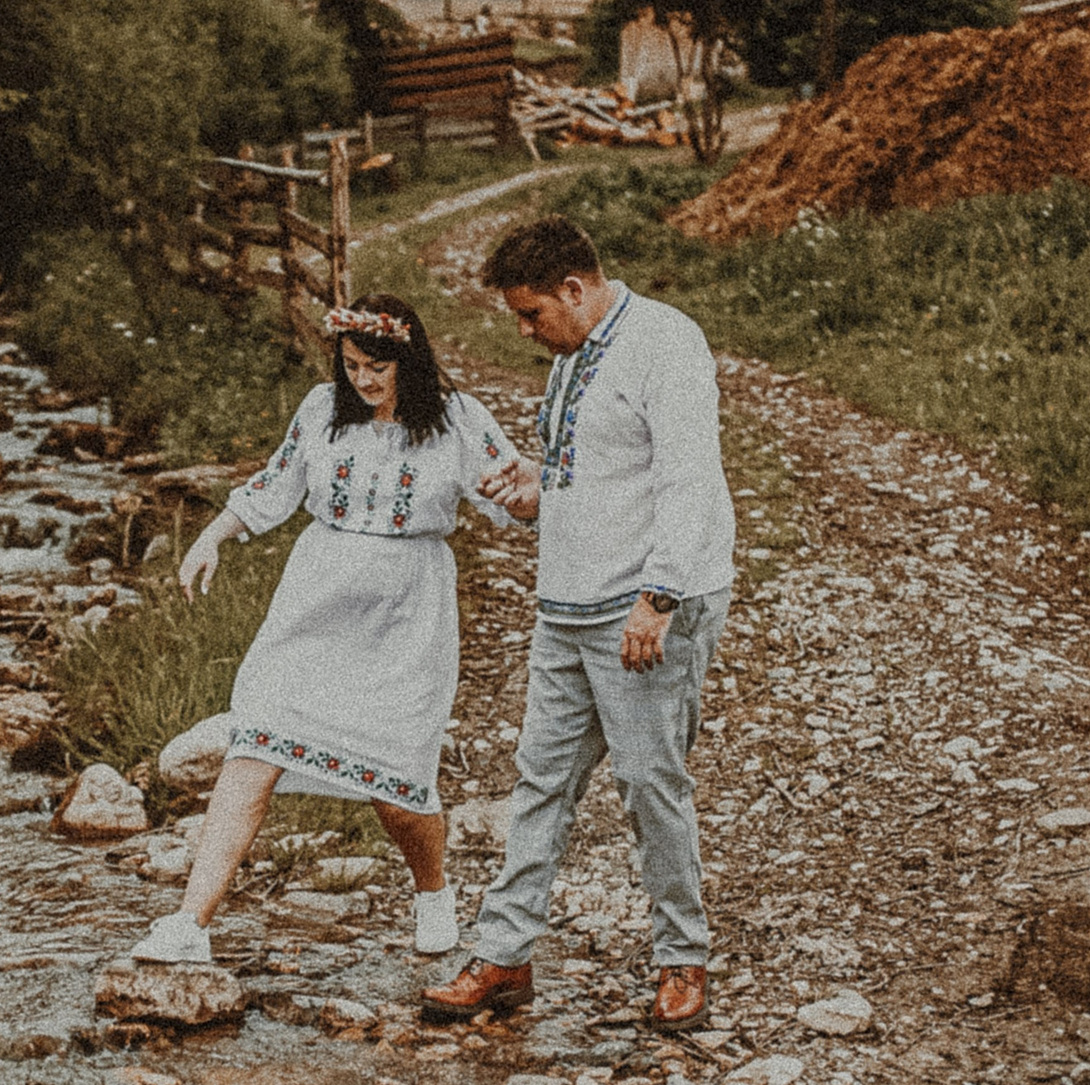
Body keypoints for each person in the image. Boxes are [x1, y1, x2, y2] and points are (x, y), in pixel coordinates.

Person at [129, 293, 522, 965]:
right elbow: (274, 485)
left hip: (408, 610)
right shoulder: (321, 411)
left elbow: (515, 496)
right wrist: (214, 536)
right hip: (316, 600)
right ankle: (189, 924)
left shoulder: (457, 422)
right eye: (351, 366)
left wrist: (552, 495)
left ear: (409, 360)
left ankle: (433, 889)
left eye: (377, 367)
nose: (363, 381)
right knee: (255, 745)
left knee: (397, 785)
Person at [422, 215, 736, 1030]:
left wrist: (659, 596)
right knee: (540, 781)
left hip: (640, 608)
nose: (527, 332)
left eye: (532, 314)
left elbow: (689, 479)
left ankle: (683, 959)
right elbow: (587, 465)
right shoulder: (572, 357)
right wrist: (534, 486)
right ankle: (505, 953)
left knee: (648, 783)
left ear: (575, 287)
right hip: (564, 606)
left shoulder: (665, 344)